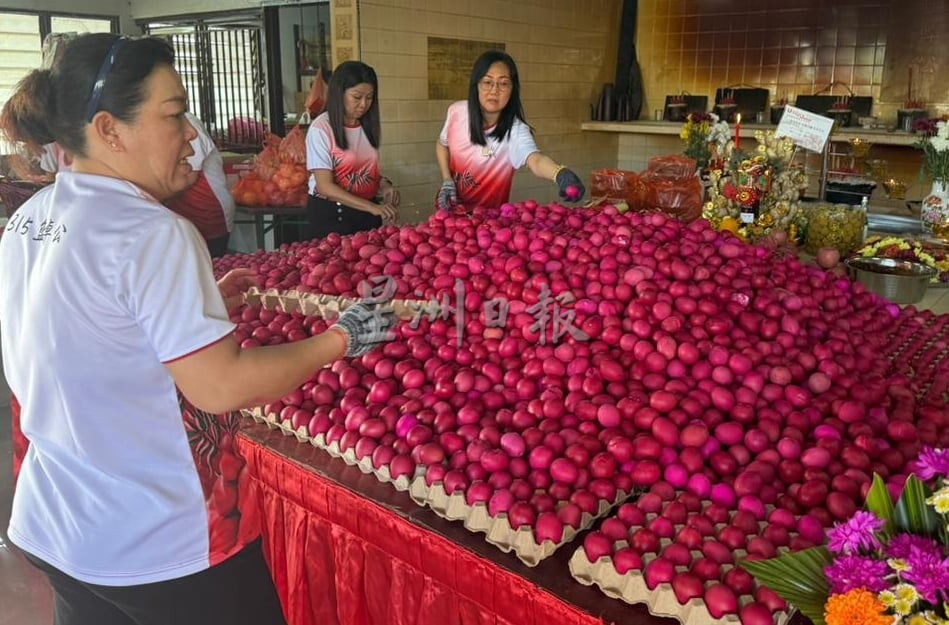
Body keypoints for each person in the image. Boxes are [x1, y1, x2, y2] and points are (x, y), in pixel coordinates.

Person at [0, 33, 391, 625]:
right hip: (160, 546)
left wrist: (198, 300)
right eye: (175, 114)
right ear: (109, 130)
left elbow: (90, 337)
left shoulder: (30, 219)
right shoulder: (152, 231)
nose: (192, 135)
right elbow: (221, 387)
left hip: (59, 526)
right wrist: (340, 339)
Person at [435, 50, 586, 211]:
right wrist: (447, 180)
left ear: (513, 89)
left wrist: (560, 173)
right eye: (487, 82)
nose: (494, 90)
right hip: (448, 212)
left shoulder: (515, 130)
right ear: (476, 85)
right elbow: (442, 144)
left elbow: (535, 160)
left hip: (487, 225)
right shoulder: (457, 112)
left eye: (504, 83)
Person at [304, 60, 400, 239]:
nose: (364, 104)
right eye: (357, 97)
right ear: (339, 94)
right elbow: (325, 186)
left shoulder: (366, 126)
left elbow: (364, 171)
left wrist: (385, 186)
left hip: (366, 212)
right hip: (333, 215)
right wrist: (373, 208)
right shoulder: (321, 129)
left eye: (369, 97)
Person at [165, 112, 237, 258]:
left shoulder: (187, 124)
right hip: (182, 215)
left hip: (206, 210)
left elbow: (189, 175)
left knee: (211, 269)